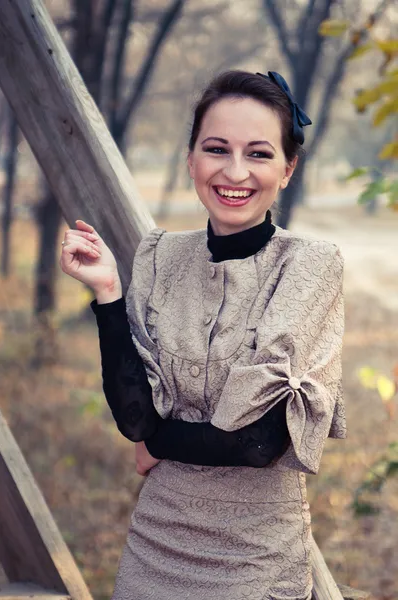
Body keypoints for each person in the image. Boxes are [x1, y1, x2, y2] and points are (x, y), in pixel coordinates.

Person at [60, 70, 346, 600]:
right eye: (217, 148)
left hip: (255, 558)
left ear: (288, 169)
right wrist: (107, 293)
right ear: (191, 159)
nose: (235, 171)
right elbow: (136, 418)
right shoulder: (157, 254)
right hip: (155, 544)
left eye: (259, 153)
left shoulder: (310, 266)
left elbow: (260, 442)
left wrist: (159, 444)